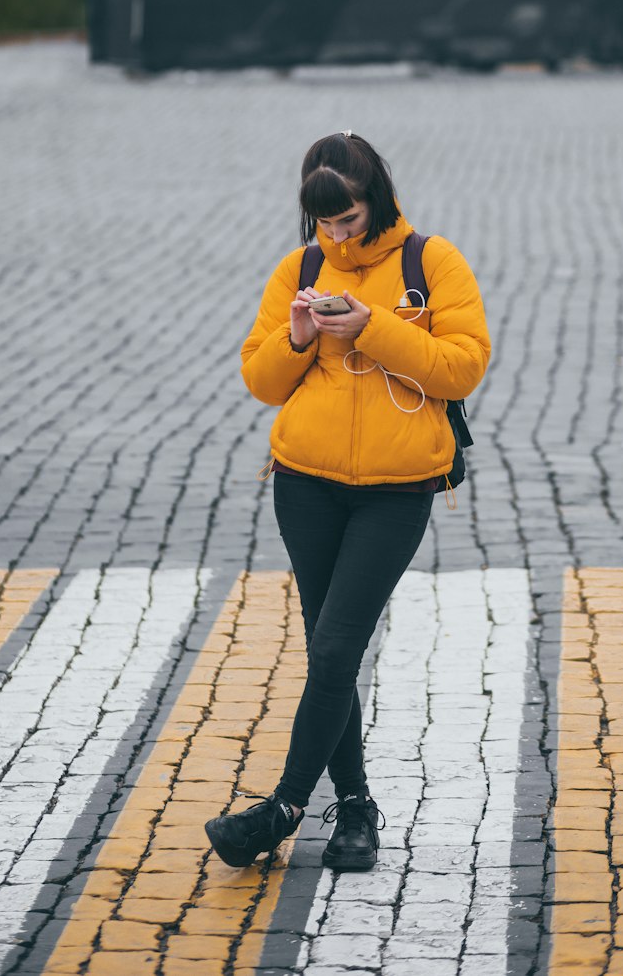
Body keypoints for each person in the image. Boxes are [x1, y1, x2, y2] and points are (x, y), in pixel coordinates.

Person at [204, 131, 491, 872]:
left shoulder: (432, 261)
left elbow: (463, 368)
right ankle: (355, 809)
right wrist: (298, 338)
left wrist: (374, 327)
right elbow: (261, 382)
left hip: (396, 493)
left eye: (350, 219)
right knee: (328, 656)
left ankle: (284, 808)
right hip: (305, 486)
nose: (336, 235)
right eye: (325, 223)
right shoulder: (298, 269)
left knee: (335, 648)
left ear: (378, 200)